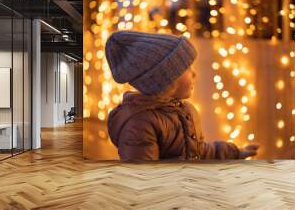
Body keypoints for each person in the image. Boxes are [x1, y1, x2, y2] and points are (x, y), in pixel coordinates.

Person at [105, 30, 258, 161]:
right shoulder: (140, 125)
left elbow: (198, 152)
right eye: (187, 67)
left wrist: (234, 152)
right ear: (166, 78)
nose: (194, 73)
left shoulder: (186, 111)